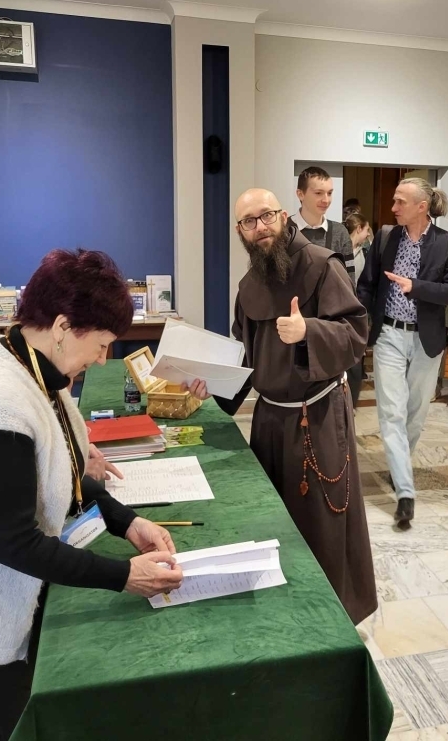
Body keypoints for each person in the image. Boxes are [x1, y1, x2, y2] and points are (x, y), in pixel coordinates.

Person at [0, 249, 183, 741]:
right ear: (64, 326)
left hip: (1, 599)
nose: (102, 358)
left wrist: (128, 522)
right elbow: (12, 542)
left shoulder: (32, 366)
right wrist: (123, 576)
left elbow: (62, 475)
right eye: (102, 344)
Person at [183, 188, 377, 625]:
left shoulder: (322, 266)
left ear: (284, 215)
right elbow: (245, 355)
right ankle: (281, 611)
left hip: (318, 415)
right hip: (269, 418)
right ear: (240, 231)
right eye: (249, 222)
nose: (260, 227)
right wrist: (211, 383)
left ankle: (329, 617)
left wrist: (309, 332)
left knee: (322, 522)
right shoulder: (248, 287)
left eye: (266, 216)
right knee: (274, 517)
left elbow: (355, 335)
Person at [356, 178, 448, 529]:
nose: (393, 208)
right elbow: (367, 285)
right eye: (394, 201)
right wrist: (356, 321)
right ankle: (405, 492)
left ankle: (399, 464)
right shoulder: (386, 238)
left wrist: (414, 287)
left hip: (426, 340)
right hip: (389, 334)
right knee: (391, 412)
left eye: (400, 202)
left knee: (415, 414)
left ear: (422, 206)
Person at [294, 166, 364, 405]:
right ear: (300, 194)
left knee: (328, 394)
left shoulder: (339, 232)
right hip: (296, 322)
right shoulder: (286, 230)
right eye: (318, 193)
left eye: (330, 193)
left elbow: (349, 282)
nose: (326, 199)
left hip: (330, 323)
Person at [344, 207, 373, 407]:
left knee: (356, 361)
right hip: (340, 311)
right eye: (367, 229)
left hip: (359, 313)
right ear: (359, 228)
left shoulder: (366, 252)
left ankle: (351, 404)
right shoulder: (339, 250)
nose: (368, 234)